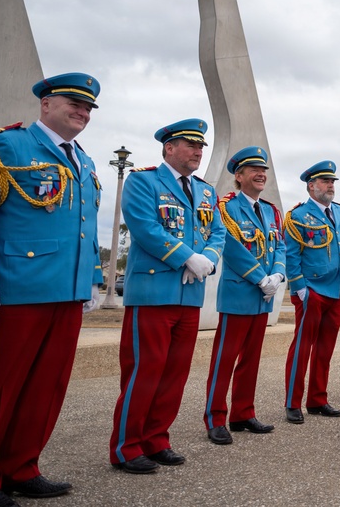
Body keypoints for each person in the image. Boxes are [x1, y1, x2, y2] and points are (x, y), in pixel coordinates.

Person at [0, 73, 103, 505]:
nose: (82, 112)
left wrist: (92, 279)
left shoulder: (84, 161)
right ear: (46, 103)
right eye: (74, 103)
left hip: (67, 293)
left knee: (45, 388)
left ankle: (21, 466)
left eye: (88, 108)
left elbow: (85, 226)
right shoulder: (7, 146)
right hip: (15, 290)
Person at [108, 118, 225, 474]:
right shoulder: (143, 181)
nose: (198, 152)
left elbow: (217, 232)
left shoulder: (206, 191)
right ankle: (127, 447)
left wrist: (207, 259)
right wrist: (187, 257)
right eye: (191, 145)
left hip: (190, 294)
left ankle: (157, 439)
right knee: (144, 372)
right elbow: (145, 228)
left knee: (175, 374)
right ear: (169, 148)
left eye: (201, 146)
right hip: (153, 294)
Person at [203, 147, 287, 446]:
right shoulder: (226, 207)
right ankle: (215, 418)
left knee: (250, 360)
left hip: (263, 297)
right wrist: (260, 278)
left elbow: (280, 246)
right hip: (239, 293)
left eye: (263, 170)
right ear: (239, 176)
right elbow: (231, 247)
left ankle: (243, 413)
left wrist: (277, 275)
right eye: (254, 170)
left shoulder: (271, 210)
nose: (261, 174)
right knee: (224, 360)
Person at [283, 160, 340, 423]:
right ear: (311, 186)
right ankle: (293, 402)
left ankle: (317, 399)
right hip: (312, 291)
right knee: (302, 347)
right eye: (325, 181)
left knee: (325, 349)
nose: (330, 186)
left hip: (336, 290)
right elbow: (291, 255)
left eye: (332, 182)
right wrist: (299, 287)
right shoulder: (298, 216)